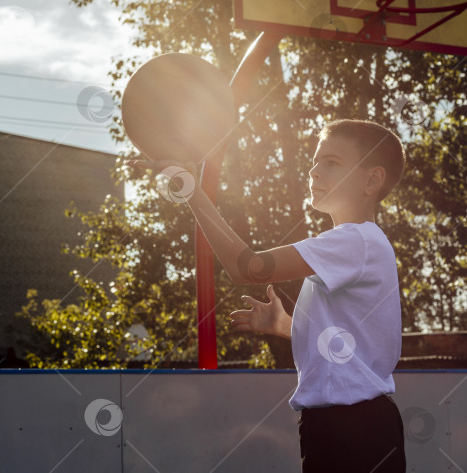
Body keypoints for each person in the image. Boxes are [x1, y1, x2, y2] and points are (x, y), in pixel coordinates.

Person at [131, 118, 407, 472]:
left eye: (332, 162)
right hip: (343, 424)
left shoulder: (356, 241)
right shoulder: (356, 245)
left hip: (355, 427)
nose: (315, 171)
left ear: (372, 180)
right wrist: (285, 325)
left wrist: (192, 192)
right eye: (314, 162)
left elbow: (246, 267)